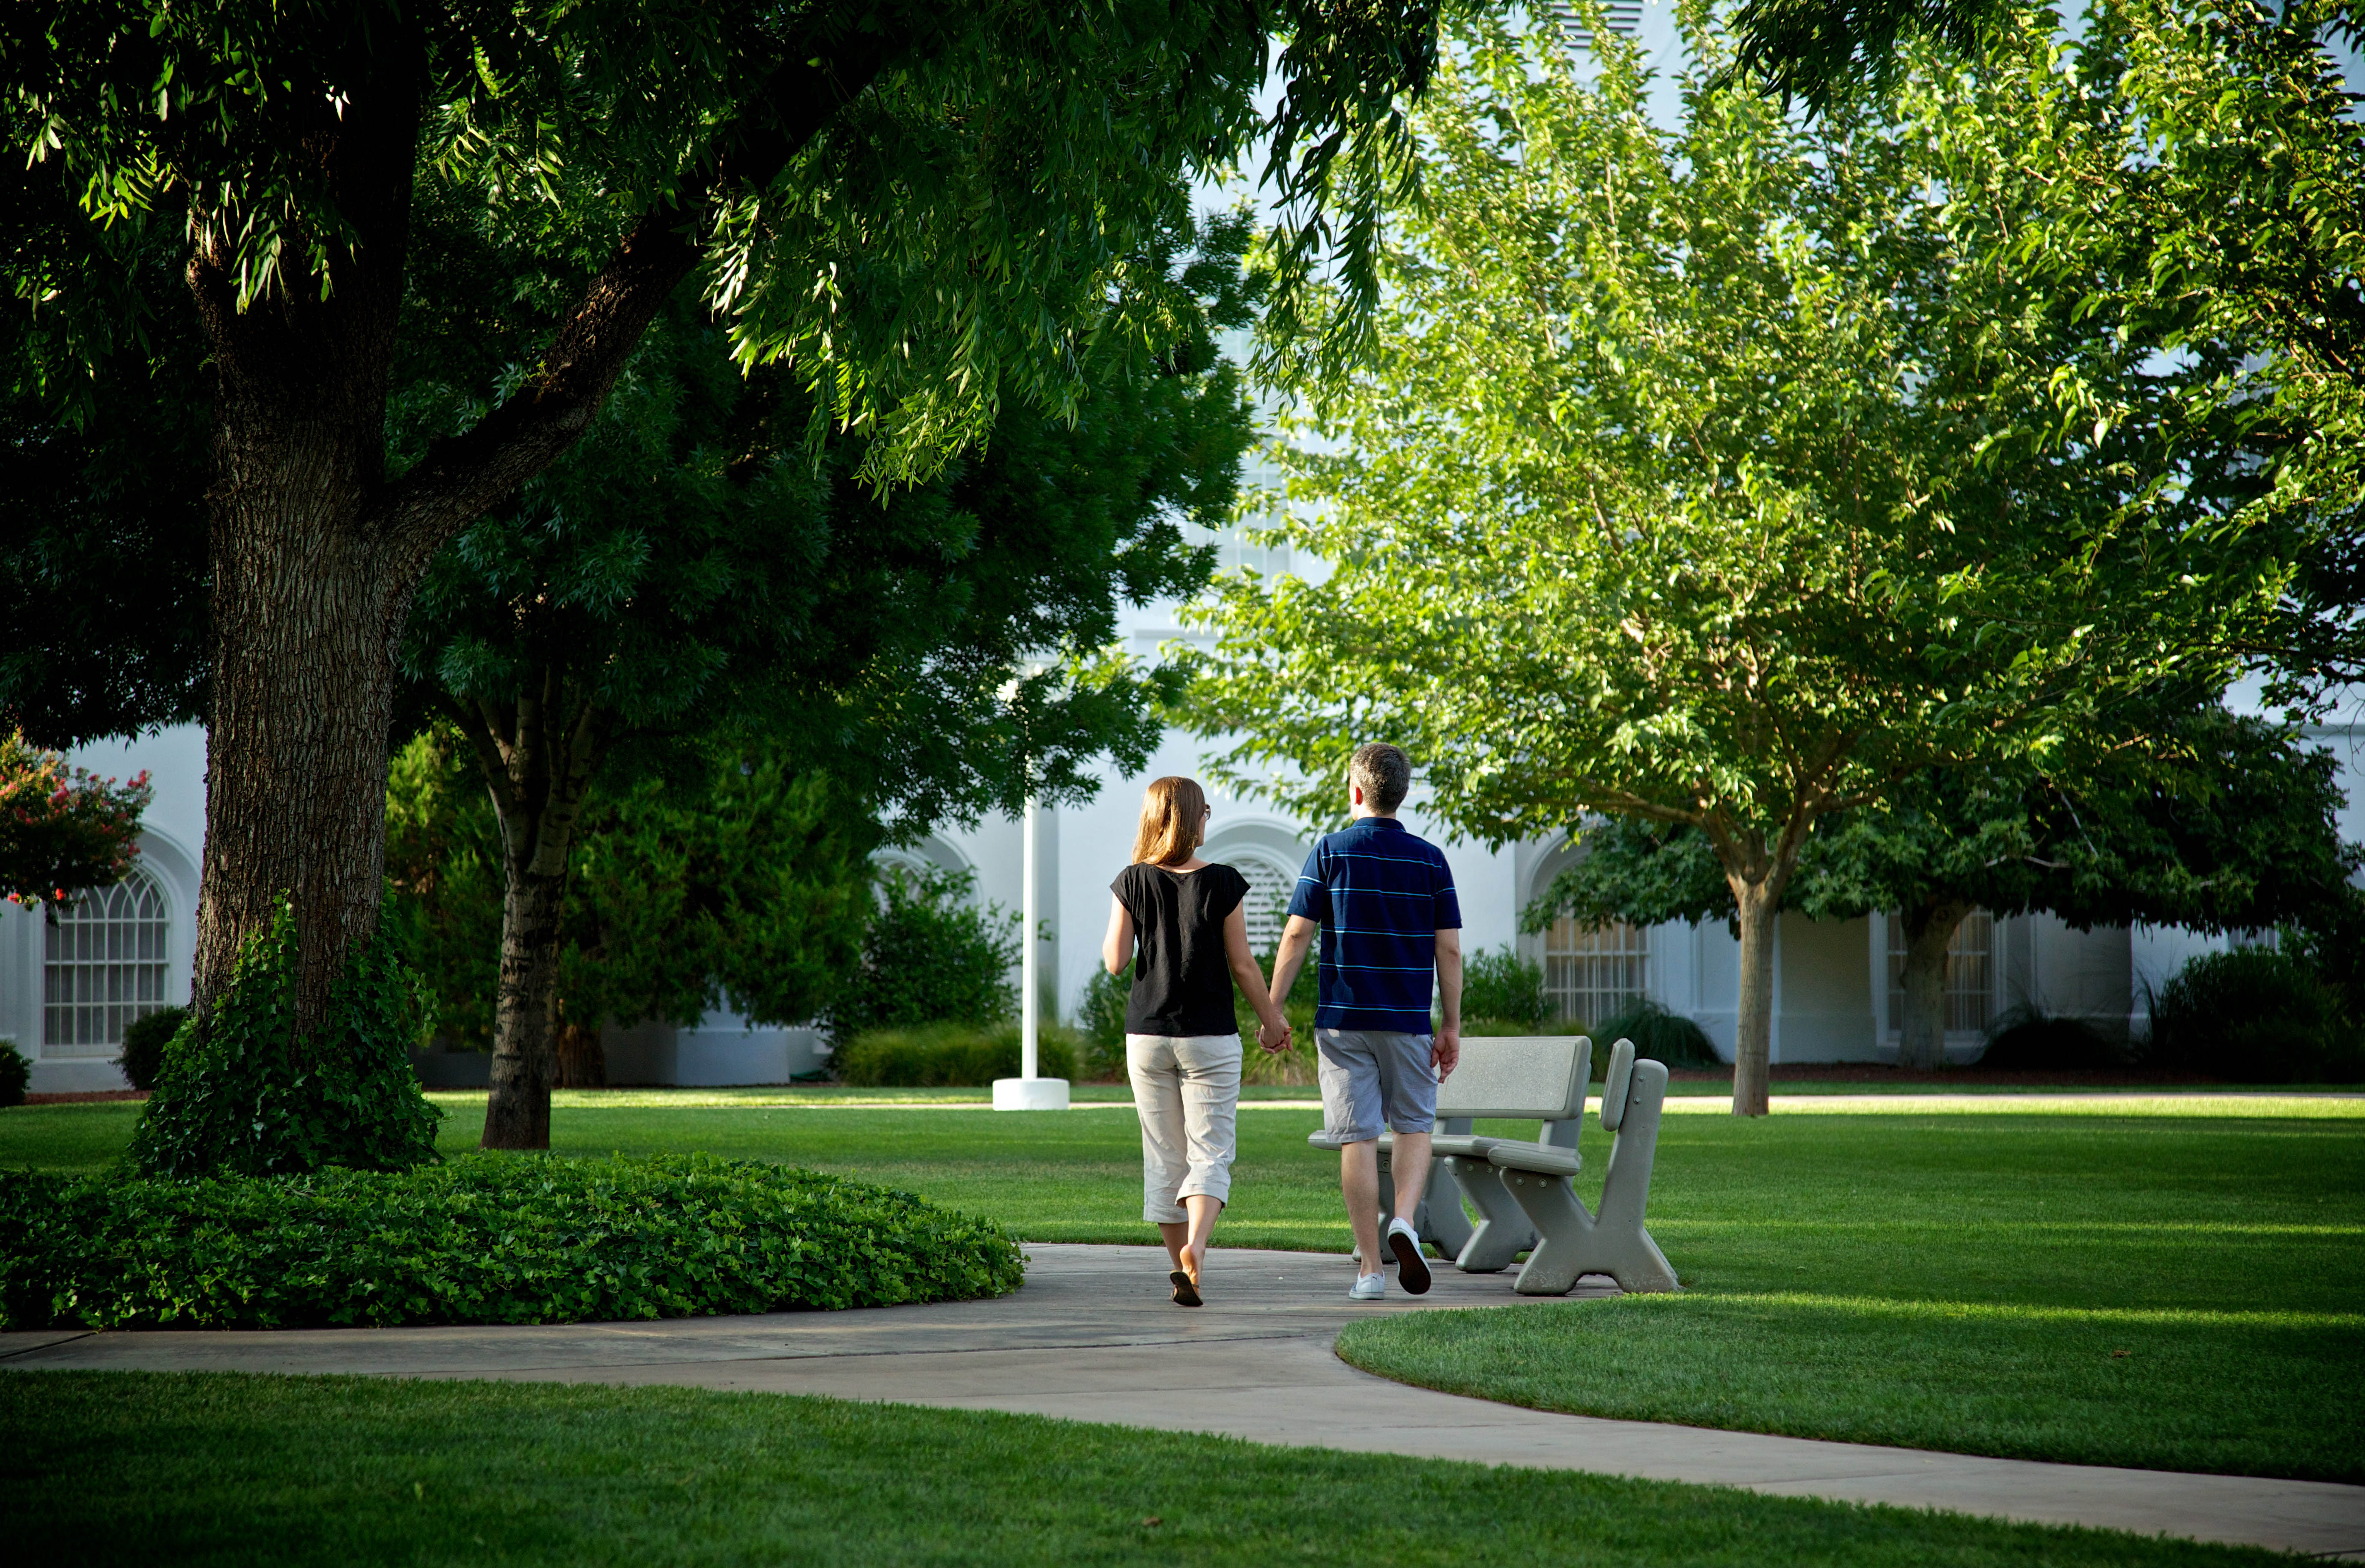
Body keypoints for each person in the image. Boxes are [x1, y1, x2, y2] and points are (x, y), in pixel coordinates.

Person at [1267, 742, 1462, 1301]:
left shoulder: (1329, 852)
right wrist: (1450, 1023)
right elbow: (1447, 952)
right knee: (1414, 1126)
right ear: (1402, 794)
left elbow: (1298, 934)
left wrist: (1274, 1006)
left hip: (1343, 1021)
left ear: (1355, 791)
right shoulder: (1430, 860)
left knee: (1356, 1137)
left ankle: (1370, 1269)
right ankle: (1403, 1218)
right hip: (1406, 1020)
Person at [1102, 775, 1292, 1307]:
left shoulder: (1132, 880)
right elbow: (1243, 965)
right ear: (1192, 817)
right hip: (1209, 1036)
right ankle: (1198, 1250)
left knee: (1165, 1158)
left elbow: (1115, 962)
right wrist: (1272, 1021)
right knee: (1209, 1152)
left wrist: (1129, 906)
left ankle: (1183, 1268)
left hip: (1147, 1035)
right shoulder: (1223, 882)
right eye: (1205, 810)